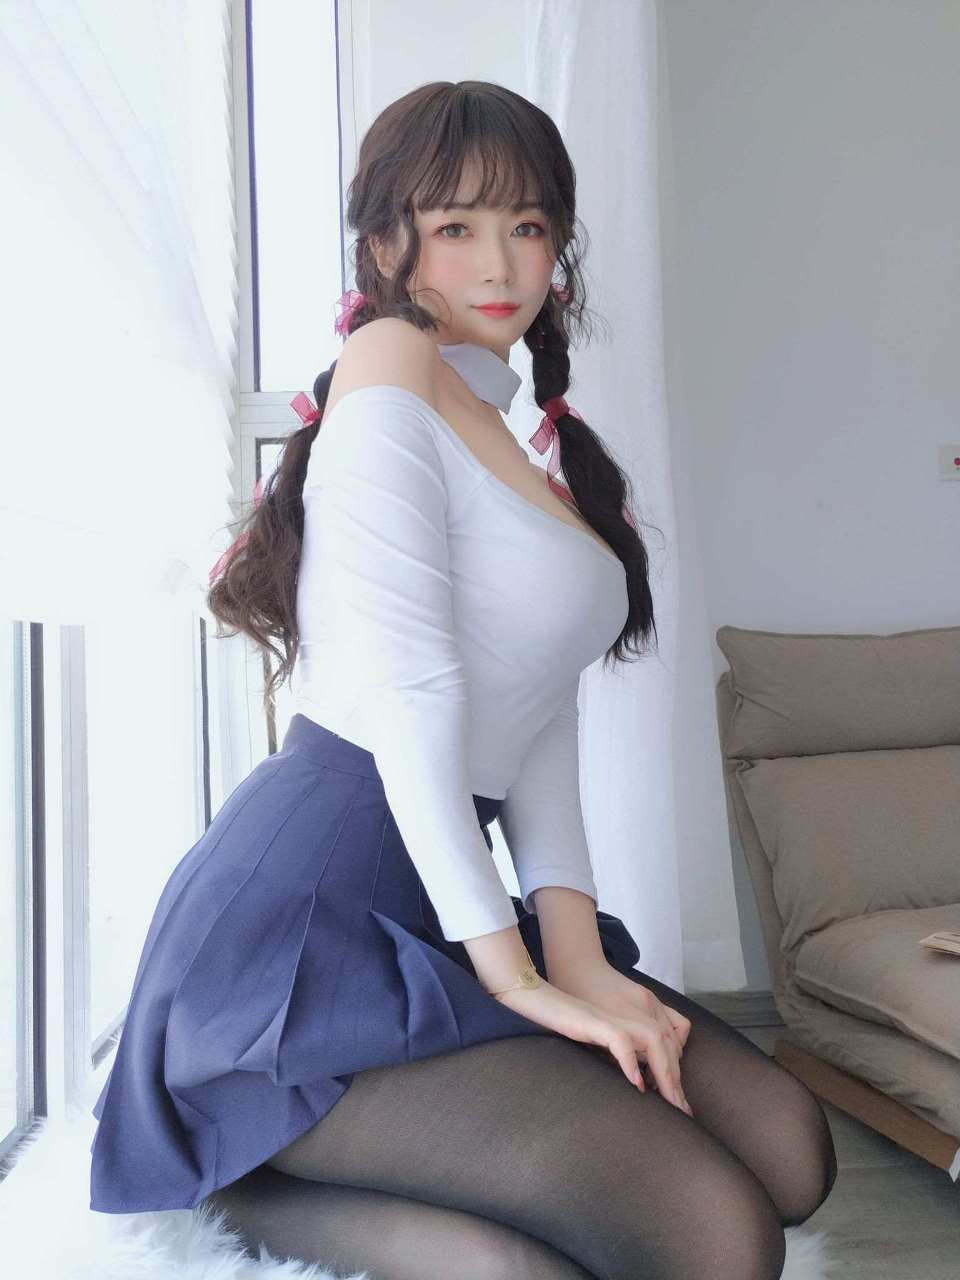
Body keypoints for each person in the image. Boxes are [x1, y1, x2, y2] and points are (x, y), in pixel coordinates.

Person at [88, 80, 836, 1279]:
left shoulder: (517, 440)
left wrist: (577, 959)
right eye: (456, 226)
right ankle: (245, 1161)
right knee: (712, 1232)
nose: (499, 262)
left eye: (528, 225)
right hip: (302, 922)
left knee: (790, 1153)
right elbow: (416, 698)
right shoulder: (386, 357)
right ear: (389, 245)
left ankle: (329, 1162)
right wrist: (517, 977)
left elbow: (536, 722)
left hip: (433, 901)